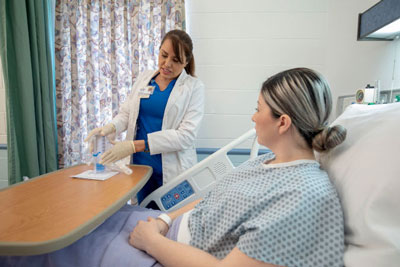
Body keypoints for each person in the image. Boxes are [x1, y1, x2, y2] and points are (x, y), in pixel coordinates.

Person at [1, 68, 346, 267]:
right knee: (76, 219)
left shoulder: (302, 197)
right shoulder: (266, 162)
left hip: (172, 252)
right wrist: (165, 219)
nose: (252, 117)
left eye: (258, 109)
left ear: (283, 122)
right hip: (171, 229)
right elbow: (213, 197)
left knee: (46, 250)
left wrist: (152, 241)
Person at [85, 29, 205, 205]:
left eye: (175, 60)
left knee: (169, 223)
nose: (167, 64)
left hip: (173, 169)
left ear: (186, 61)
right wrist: (110, 127)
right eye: (163, 55)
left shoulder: (194, 88)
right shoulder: (145, 79)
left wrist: (134, 146)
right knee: (140, 217)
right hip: (140, 167)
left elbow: (186, 136)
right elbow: (127, 113)